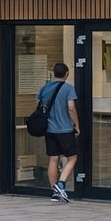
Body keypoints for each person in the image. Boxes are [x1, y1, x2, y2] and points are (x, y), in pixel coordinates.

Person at [36, 63, 79, 203]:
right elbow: (71, 107)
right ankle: (61, 184)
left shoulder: (45, 88)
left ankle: (55, 193)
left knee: (54, 159)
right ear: (67, 73)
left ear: (54, 73)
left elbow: (39, 104)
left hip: (49, 129)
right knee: (72, 158)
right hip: (65, 130)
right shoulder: (68, 88)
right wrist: (77, 125)